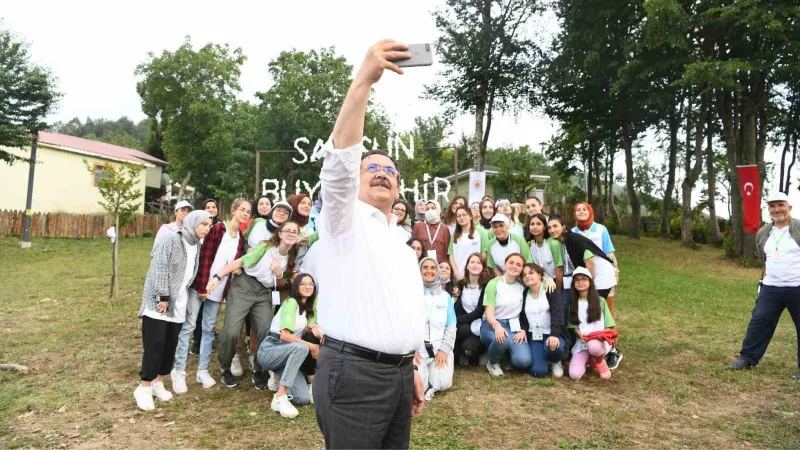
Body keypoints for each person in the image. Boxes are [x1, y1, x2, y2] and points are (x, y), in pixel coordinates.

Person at [313, 40, 426, 450]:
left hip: (396, 376)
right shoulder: (343, 221)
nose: (382, 174)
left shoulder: (397, 238)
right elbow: (340, 164)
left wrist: (408, 364)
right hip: (355, 376)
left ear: (399, 188)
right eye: (372, 168)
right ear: (357, 182)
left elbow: (398, 307)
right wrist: (363, 80)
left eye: (390, 171)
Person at [207, 220, 300, 389]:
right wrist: (217, 277)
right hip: (244, 286)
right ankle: (225, 367)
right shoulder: (265, 248)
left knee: (267, 328)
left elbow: (280, 286)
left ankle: (259, 368)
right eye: (288, 230)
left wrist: (279, 274)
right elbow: (239, 262)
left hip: (264, 292)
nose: (291, 233)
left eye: (295, 231)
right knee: (231, 331)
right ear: (280, 233)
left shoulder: (291, 259)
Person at [134, 210, 212, 411]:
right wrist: (163, 297)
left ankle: (158, 382)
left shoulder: (197, 244)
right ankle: (143, 388)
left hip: (178, 302)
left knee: (170, 346)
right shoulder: (172, 239)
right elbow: (159, 267)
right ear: (192, 222)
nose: (207, 228)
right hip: (159, 302)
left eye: (209, 225)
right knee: (155, 345)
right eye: (203, 224)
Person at [172, 200, 250, 393]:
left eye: (248, 212)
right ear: (233, 211)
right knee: (189, 325)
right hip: (201, 286)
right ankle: (179, 370)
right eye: (242, 210)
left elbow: (232, 264)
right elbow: (204, 256)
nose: (245, 214)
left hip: (219, 290)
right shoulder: (217, 230)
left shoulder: (240, 237)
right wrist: (202, 285)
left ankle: (202, 370)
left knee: (209, 329)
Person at [731, 192, 800, 379]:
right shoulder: (764, 232)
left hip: (797, 286)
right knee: (759, 321)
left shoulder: (799, 228)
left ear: (789, 207)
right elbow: (764, 257)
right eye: (772, 206)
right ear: (769, 210)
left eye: (781, 205)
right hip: (771, 287)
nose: (777, 209)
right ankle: (747, 358)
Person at [258, 273, 322, 418]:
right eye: (303, 284)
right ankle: (280, 396)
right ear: (296, 287)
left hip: (286, 354)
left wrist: (312, 327)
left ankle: (277, 378)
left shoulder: (306, 308)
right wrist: (312, 346)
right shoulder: (291, 302)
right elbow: (285, 336)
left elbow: (302, 328)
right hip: (270, 349)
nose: (307, 286)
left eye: (311, 284)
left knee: (303, 399)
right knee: (302, 347)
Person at [569, 204, 623, 370]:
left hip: (602, 276)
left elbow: (609, 254)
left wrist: (615, 272)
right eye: (578, 210)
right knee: (586, 311)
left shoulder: (600, 229)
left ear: (591, 211)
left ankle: (612, 349)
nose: (581, 212)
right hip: (585, 277)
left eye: (584, 209)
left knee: (605, 311)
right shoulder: (573, 232)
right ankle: (588, 349)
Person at [480, 253, 531, 376]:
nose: (514, 266)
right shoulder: (494, 284)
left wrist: (523, 329)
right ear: (505, 264)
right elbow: (489, 313)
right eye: (511, 262)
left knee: (523, 361)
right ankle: (493, 362)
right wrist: (497, 326)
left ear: (521, 269)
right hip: (492, 324)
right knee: (504, 340)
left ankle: (505, 356)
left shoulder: (522, 286)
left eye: (519, 265)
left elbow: (538, 280)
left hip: (514, 326)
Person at [417, 257, 457, 402]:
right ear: (419, 270)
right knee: (418, 382)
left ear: (437, 272)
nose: (429, 271)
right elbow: (406, 324)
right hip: (417, 348)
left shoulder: (446, 297)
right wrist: (411, 349)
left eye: (433, 268)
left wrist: (444, 349)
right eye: (425, 267)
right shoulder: (411, 294)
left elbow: (451, 326)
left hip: (439, 347)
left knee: (443, 384)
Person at [518, 263, 567, 378]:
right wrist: (523, 330)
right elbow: (523, 318)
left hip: (552, 333)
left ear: (539, 274)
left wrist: (554, 334)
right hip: (535, 336)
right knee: (538, 372)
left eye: (531, 273)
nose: (527, 276)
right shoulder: (524, 294)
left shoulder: (550, 289)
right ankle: (544, 359)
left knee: (554, 348)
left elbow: (558, 314)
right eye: (524, 275)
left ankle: (556, 361)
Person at [567, 267, 615, 380]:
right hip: (583, 342)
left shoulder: (600, 301)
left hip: (599, 341)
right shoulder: (573, 303)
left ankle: (599, 361)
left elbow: (609, 323)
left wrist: (604, 336)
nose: (580, 282)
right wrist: (579, 334)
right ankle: (590, 360)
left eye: (584, 279)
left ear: (590, 281)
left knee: (593, 346)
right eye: (577, 280)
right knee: (575, 375)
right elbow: (572, 325)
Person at [454, 253, 492, 366]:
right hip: (465, 323)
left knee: (469, 345)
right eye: (472, 262)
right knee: (459, 330)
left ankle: (477, 352)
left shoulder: (487, 286)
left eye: (479, 263)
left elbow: (479, 312)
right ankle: (458, 352)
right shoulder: (461, 284)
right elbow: (457, 305)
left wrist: (457, 320)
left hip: (479, 323)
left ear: (483, 267)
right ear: (467, 266)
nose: (475, 265)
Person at [449, 206, 486, 281]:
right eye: (458, 216)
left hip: (476, 276)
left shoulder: (480, 232)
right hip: (459, 277)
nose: (461, 218)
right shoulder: (454, 236)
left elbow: (484, 254)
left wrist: (477, 270)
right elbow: (451, 255)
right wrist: (456, 274)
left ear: (470, 216)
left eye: (464, 215)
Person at [525, 213, 564, 282]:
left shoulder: (553, 243)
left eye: (538, 224)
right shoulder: (532, 246)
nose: (535, 227)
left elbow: (560, 269)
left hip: (558, 282)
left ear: (544, 227)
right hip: (542, 282)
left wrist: (558, 291)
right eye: (532, 224)